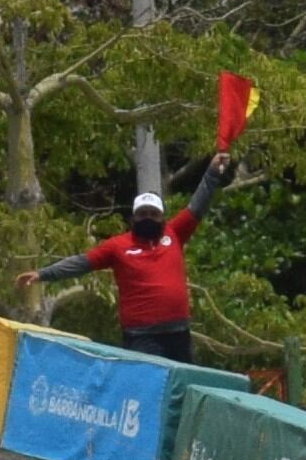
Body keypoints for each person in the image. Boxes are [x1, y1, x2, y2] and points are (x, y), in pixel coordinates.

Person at [19, 150, 233, 363]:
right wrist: (41, 274)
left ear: (162, 217)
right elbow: (81, 263)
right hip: (142, 335)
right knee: (148, 386)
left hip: (178, 332)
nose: (147, 218)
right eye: (142, 214)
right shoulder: (119, 245)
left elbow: (198, 204)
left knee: (182, 385)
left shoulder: (174, 233)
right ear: (133, 217)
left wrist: (212, 172)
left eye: (153, 214)